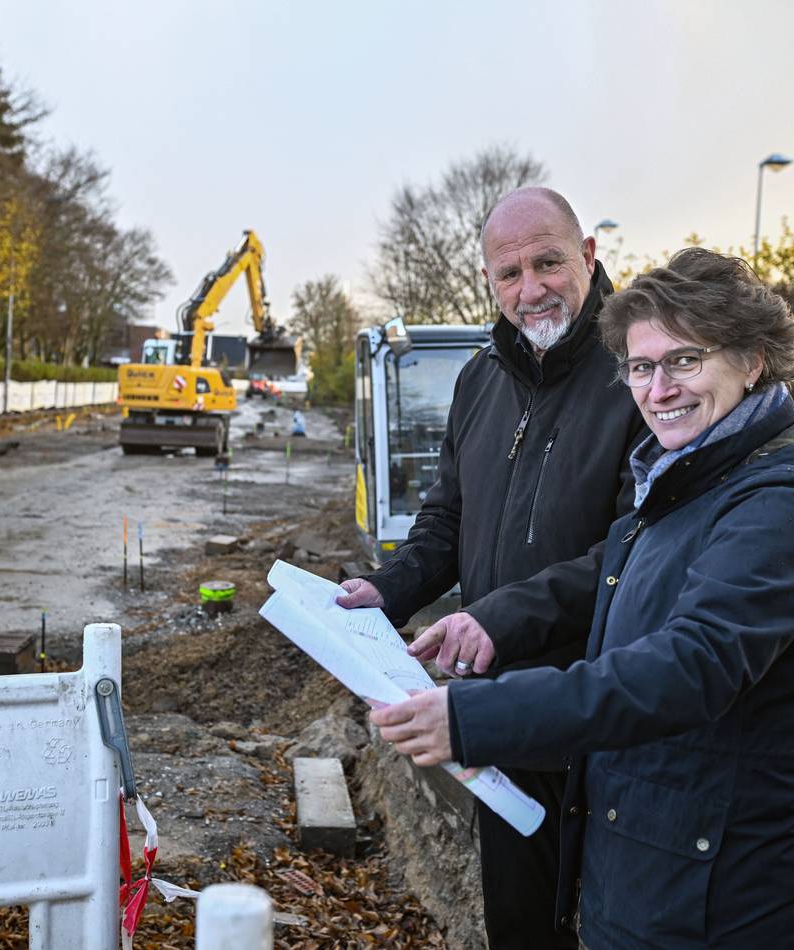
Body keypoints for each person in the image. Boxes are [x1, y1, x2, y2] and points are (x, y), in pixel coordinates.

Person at [372, 248, 794, 949]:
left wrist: (479, 717)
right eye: (640, 367)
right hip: (657, 867)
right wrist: (489, 619)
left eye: (684, 361)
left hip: (719, 896)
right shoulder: (685, 475)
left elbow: (690, 667)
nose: (659, 389)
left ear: (753, 361)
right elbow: (609, 578)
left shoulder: (782, 501)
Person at [337, 186, 647, 948]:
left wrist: (499, 618)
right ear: (488, 281)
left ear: (589, 256)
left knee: (609, 923)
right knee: (520, 922)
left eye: (548, 263)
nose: (530, 288)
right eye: (509, 273)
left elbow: (635, 551)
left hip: (602, 708)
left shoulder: (641, 375)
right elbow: (447, 518)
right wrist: (387, 587)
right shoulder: (481, 380)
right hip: (502, 714)